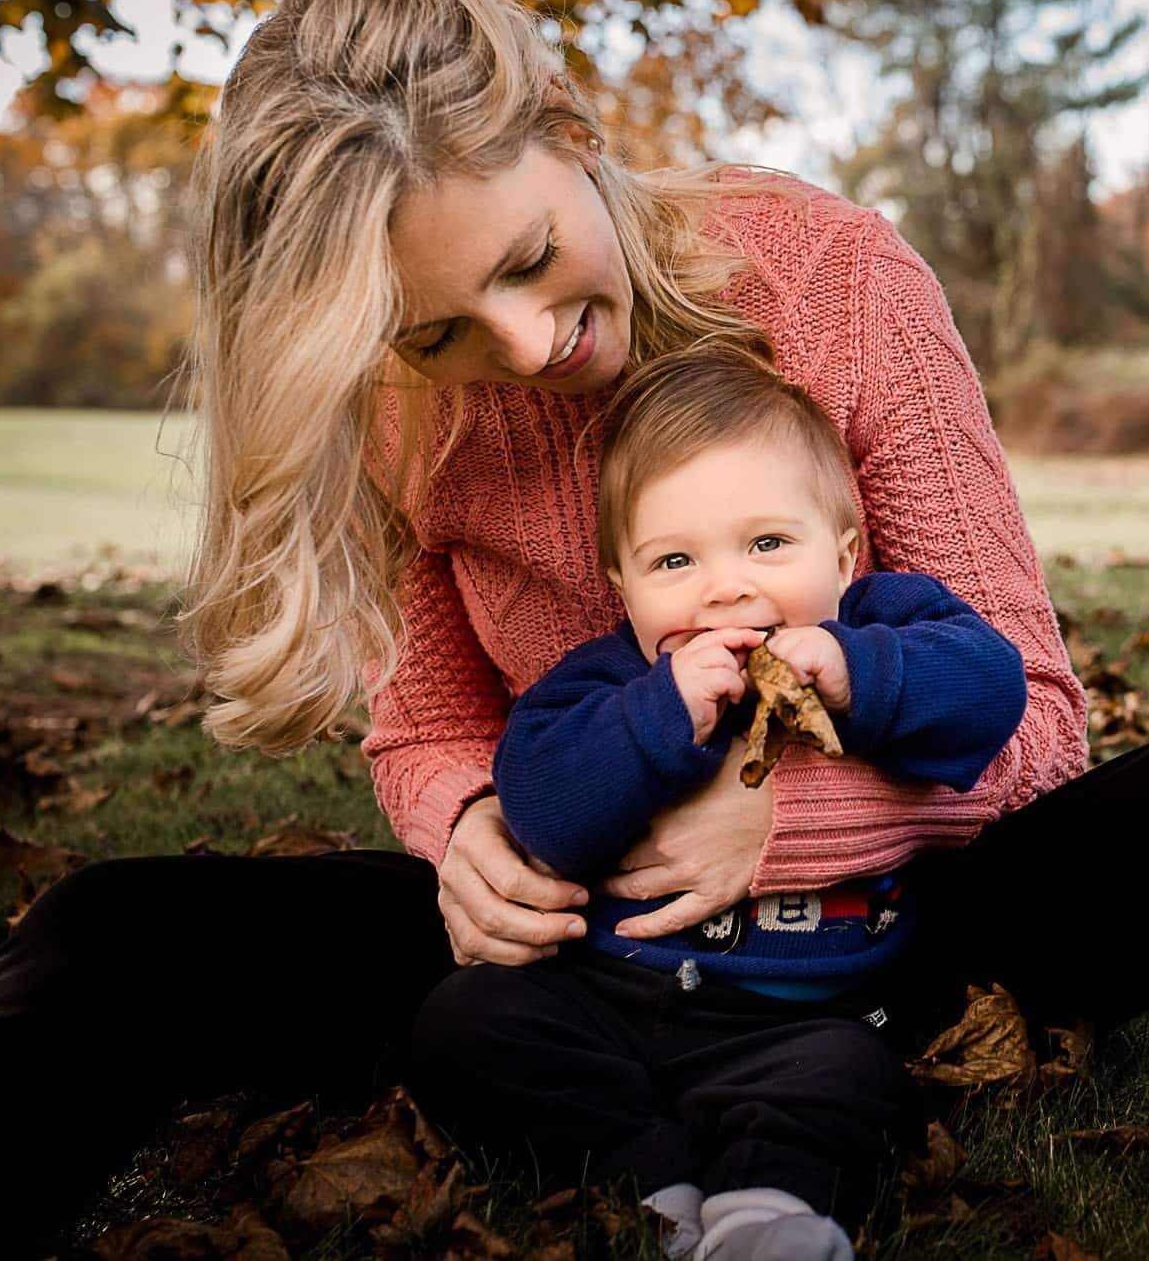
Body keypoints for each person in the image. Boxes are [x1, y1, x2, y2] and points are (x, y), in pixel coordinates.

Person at [0, 0, 1149, 1261]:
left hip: (909, 913)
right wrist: (467, 826)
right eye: (434, 329)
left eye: (520, 262)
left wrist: (788, 786)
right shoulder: (402, 397)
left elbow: (1032, 715)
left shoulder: (825, 276)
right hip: (586, 944)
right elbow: (421, 716)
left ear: (568, 130)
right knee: (118, 926)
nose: (517, 347)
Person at [408, 337, 1029, 1260]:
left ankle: (766, 1213)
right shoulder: (610, 681)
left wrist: (862, 676)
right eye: (672, 563)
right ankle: (652, 1180)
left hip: (811, 1012)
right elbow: (539, 808)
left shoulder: (886, 621)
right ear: (620, 585)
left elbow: (996, 690)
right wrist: (657, 717)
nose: (724, 588)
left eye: (769, 543)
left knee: (848, 1077)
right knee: (467, 1020)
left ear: (847, 550)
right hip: (613, 998)